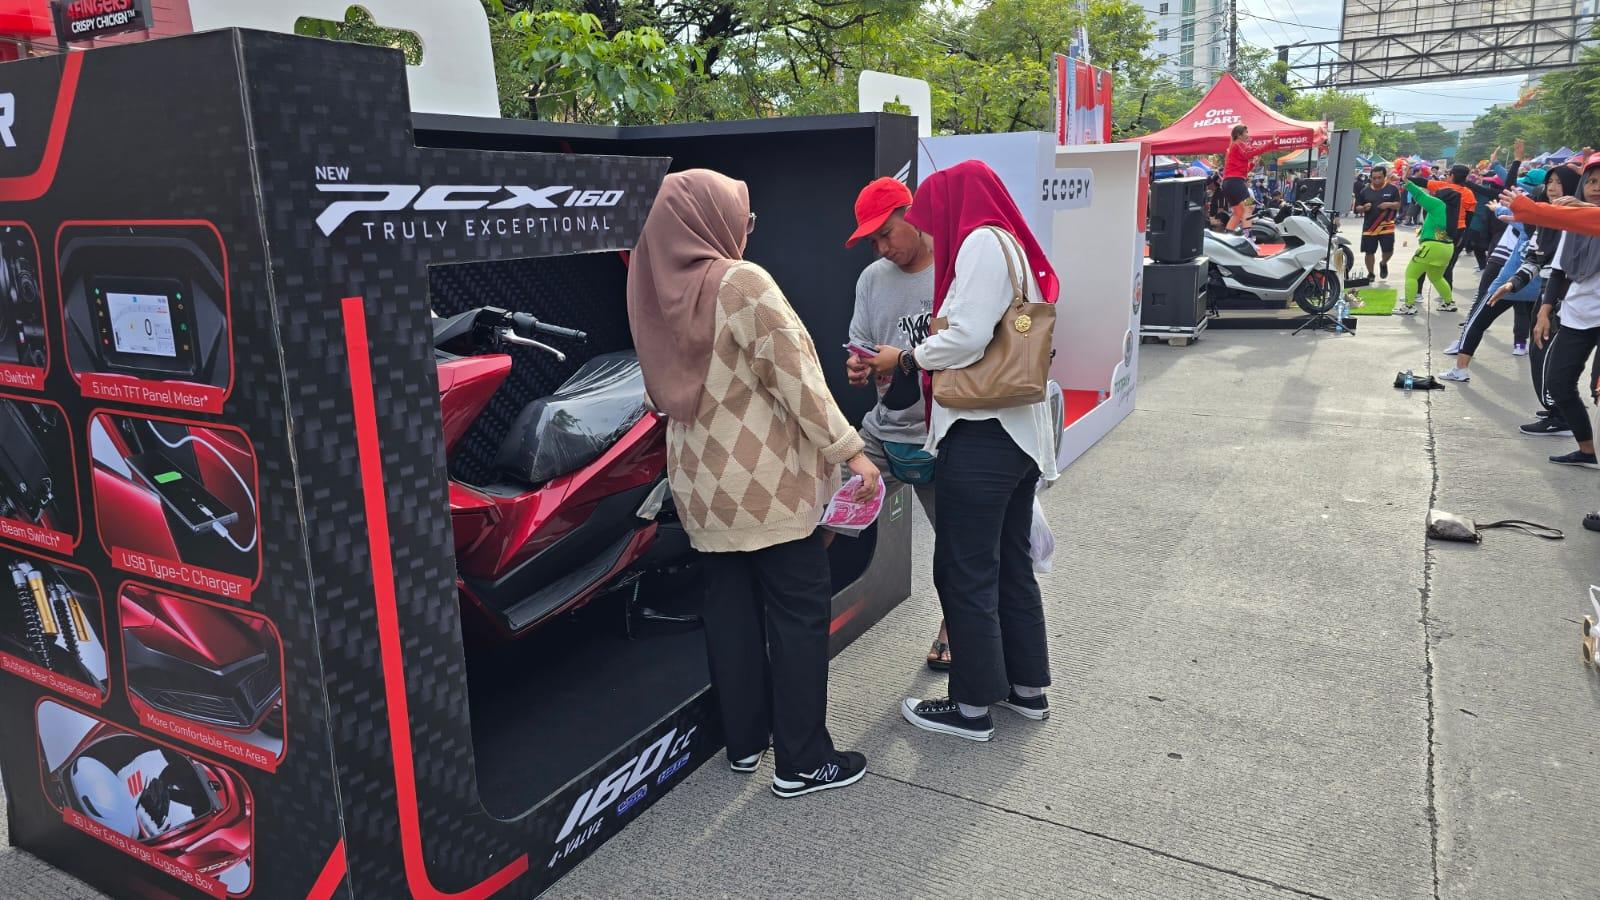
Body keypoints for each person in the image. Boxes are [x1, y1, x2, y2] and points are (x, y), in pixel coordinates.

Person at [627, 169, 880, 797]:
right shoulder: (741, 281)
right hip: (764, 484)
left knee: (730, 613)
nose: (746, 229)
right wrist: (852, 451)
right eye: (742, 216)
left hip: (699, 487)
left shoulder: (653, 287)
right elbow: (798, 380)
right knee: (796, 614)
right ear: (710, 219)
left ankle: (745, 744)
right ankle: (802, 761)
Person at [867, 160, 1060, 743]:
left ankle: (971, 706)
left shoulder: (979, 243)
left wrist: (904, 358)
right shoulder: (1008, 244)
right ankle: (1026, 690)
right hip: (1015, 436)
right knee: (1008, 566)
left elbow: (968, 336)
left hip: (982, 434)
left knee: (965, 569)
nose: (929, 229)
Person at [841, 177, 947, 670]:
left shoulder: (952, 266)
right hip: (881, 430)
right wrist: (860, 367)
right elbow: (859, 344)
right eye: (873, 241)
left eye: (887, 233)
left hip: (942, 432)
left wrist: (903, 359)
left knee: (957, 548)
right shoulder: (871, 279)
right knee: (829, 510)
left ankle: (955, 627)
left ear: (911, 210)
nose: (883, 247)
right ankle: (806, 614)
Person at [1437, 217, 1539, 382]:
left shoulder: (1527, 224)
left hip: (1505, 287)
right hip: (1531, 289)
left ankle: (1460, 369)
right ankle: (1521, 347)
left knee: (1476, 323)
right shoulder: (1555, 230)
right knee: (1539, 332)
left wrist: (1498, 209)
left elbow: (1507, 212)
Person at [1395, 167, 1456, 315]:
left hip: (1431, 246)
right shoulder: (1454, 210)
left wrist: (1406, 181)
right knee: (1437, 277)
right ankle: (1448, 303)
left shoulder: (1438, 204)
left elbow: (1420, 195)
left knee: (1411, 275)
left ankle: (1409, 306)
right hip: (1447, 247)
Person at [1354, 165, 1401, 280]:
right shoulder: (1365, 190)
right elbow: (1357, 207)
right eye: (1374, 178)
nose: (1376, 180)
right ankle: (1371, 273)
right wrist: (1364, 207)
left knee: (1388, 250)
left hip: (1387, 226)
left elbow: (1398, 205)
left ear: (1385, 177)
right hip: (1369, 226)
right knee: (1369, 252)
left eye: (1379, 177)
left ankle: (1383, 263)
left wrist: (1389, 204)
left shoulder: (1392, 189)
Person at [1222, 124, 1266, 232]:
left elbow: (1243, 170)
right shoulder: (1239, 144)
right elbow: (1251, 153)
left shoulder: (1234, 147)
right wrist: (1270, 144)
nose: (1248, 135)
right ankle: (1248, 238)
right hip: (1235, 182)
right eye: (1246, 132)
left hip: (1229, 183)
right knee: (1250, 207)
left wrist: (1252, 164)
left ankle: (1228, 237)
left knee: (1238, 213)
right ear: (1239, 135)